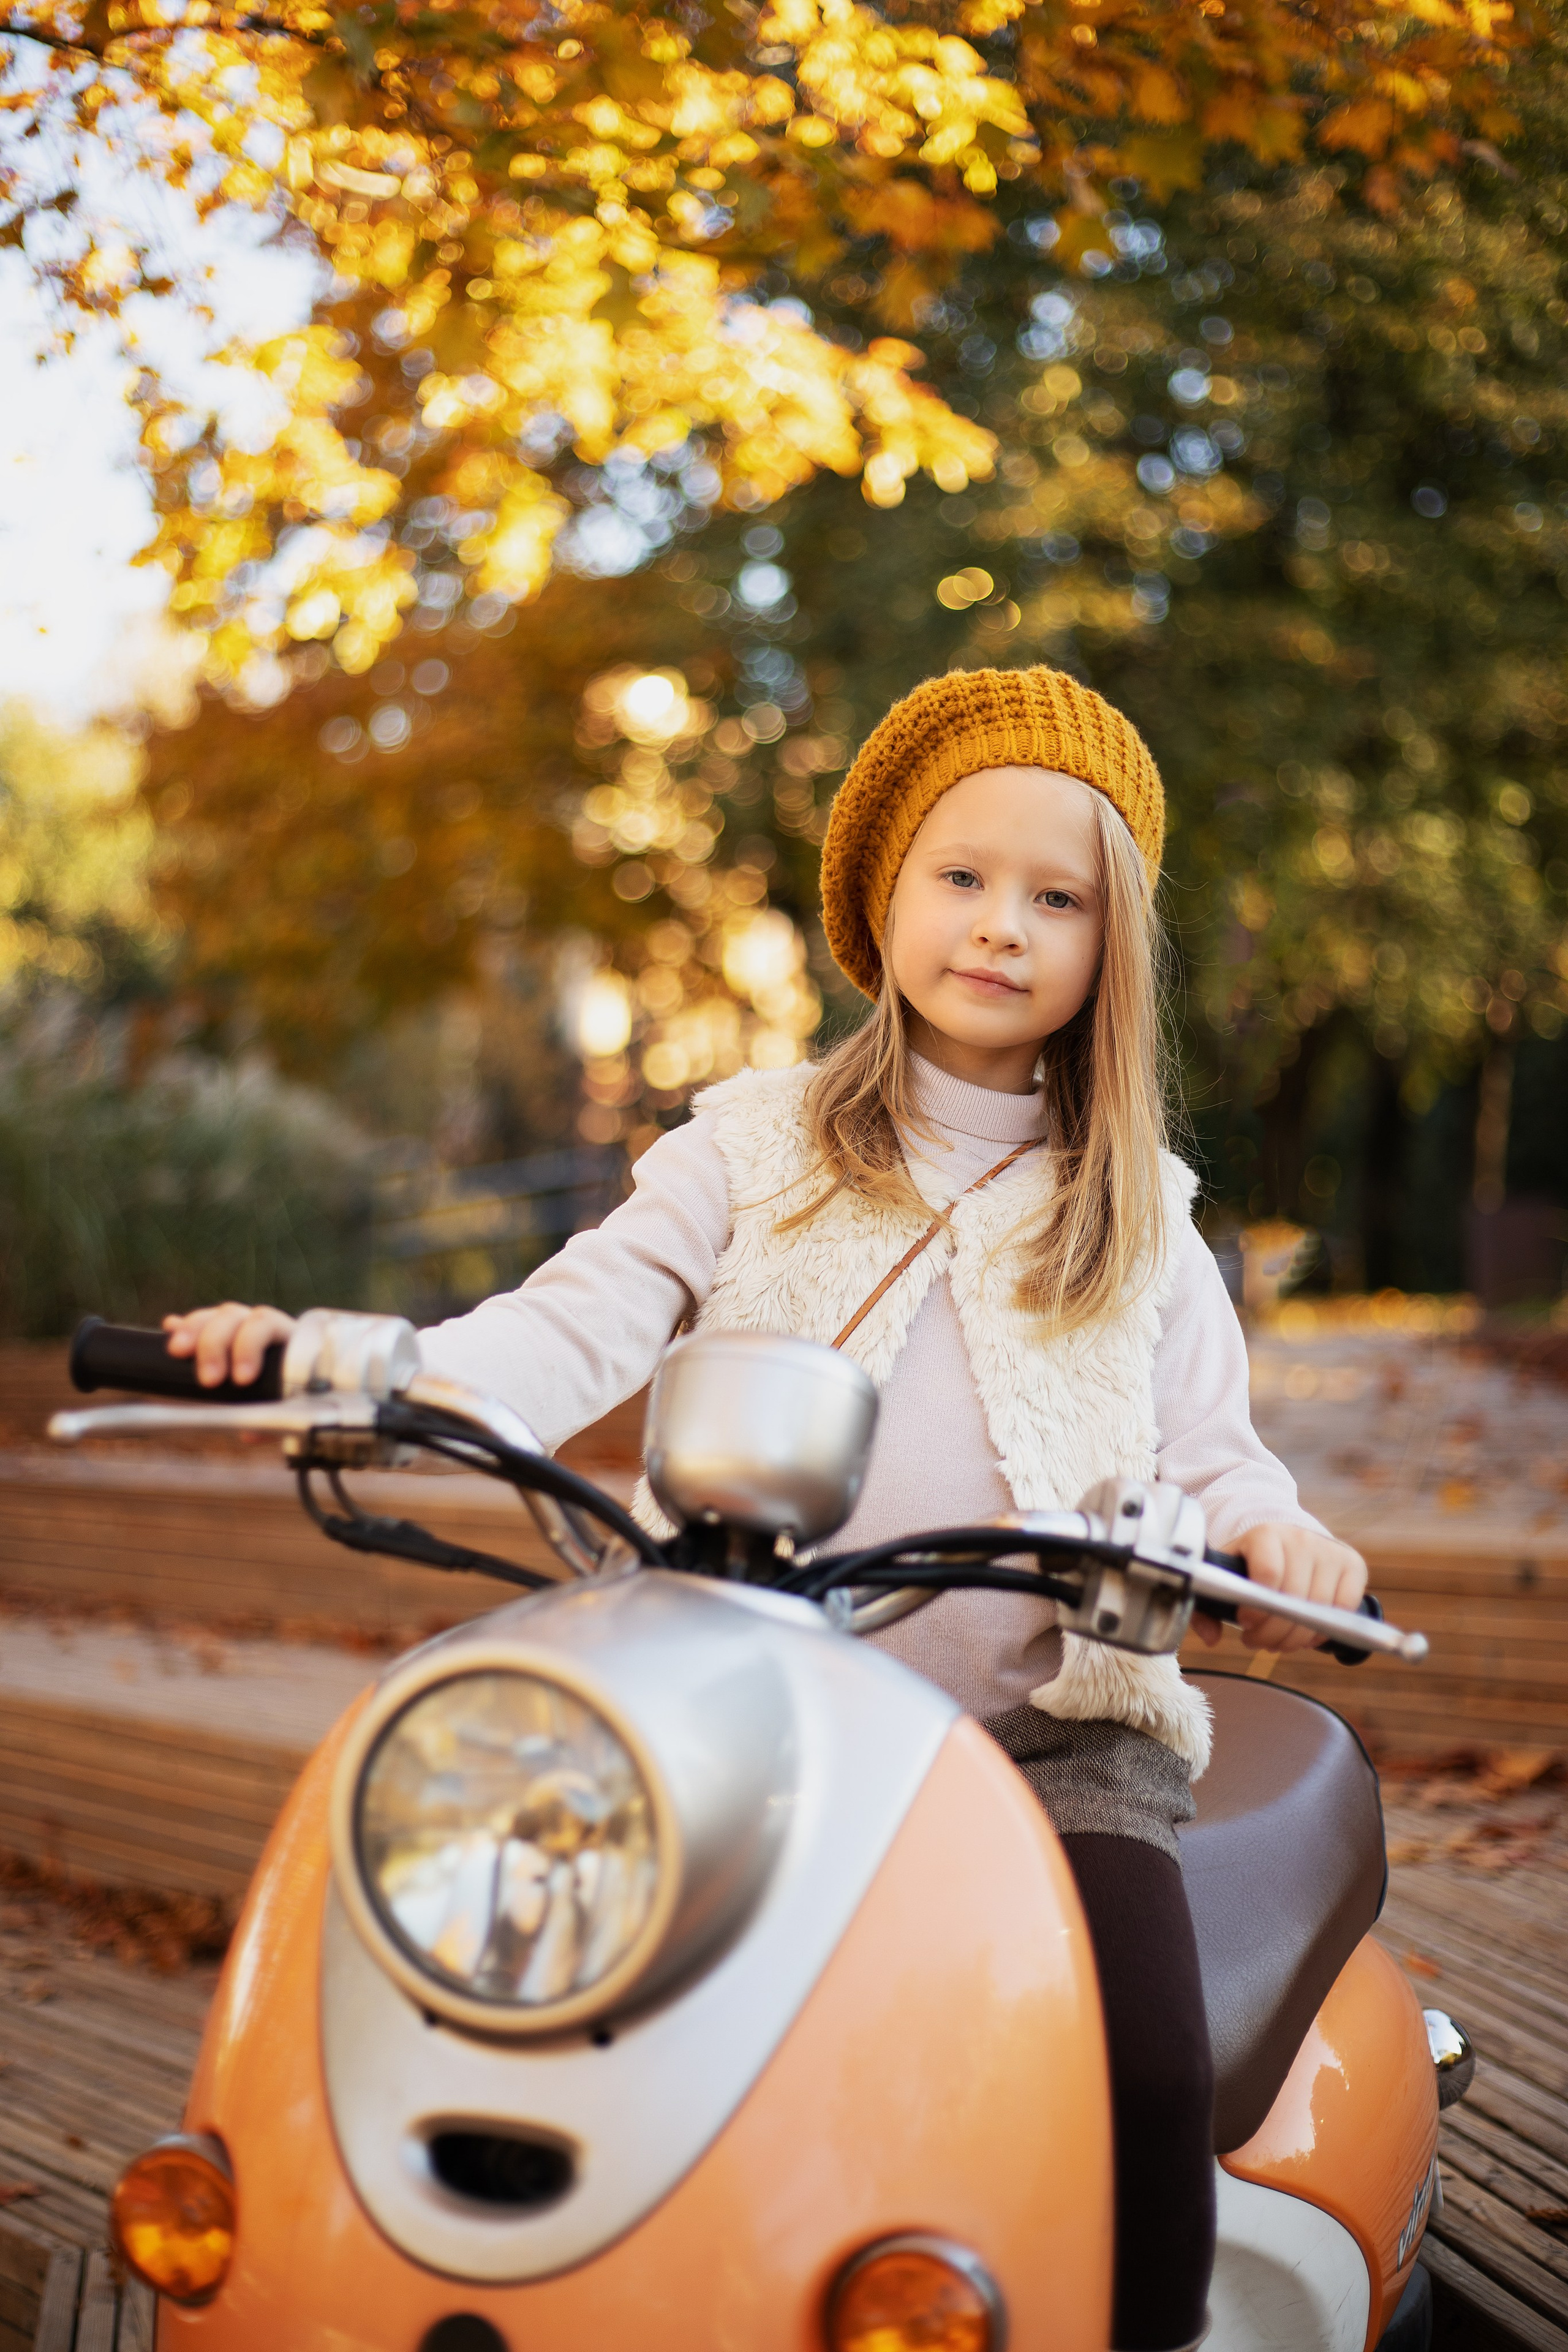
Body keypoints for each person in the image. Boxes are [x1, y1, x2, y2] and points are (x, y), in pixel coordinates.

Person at [167, 663, 1366, 2352]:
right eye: (962, 875)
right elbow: (553, 1332)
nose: (1003, 925)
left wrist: (1271, 1531)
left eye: (1057, 896)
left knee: (1148, 2063)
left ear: (1114, 947)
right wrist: (341, 1357)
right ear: (883, 891)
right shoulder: (750, 1144)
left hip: (1053, 1733)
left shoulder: (1140, 1219)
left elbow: (1217, 1454)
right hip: (748, 1716)